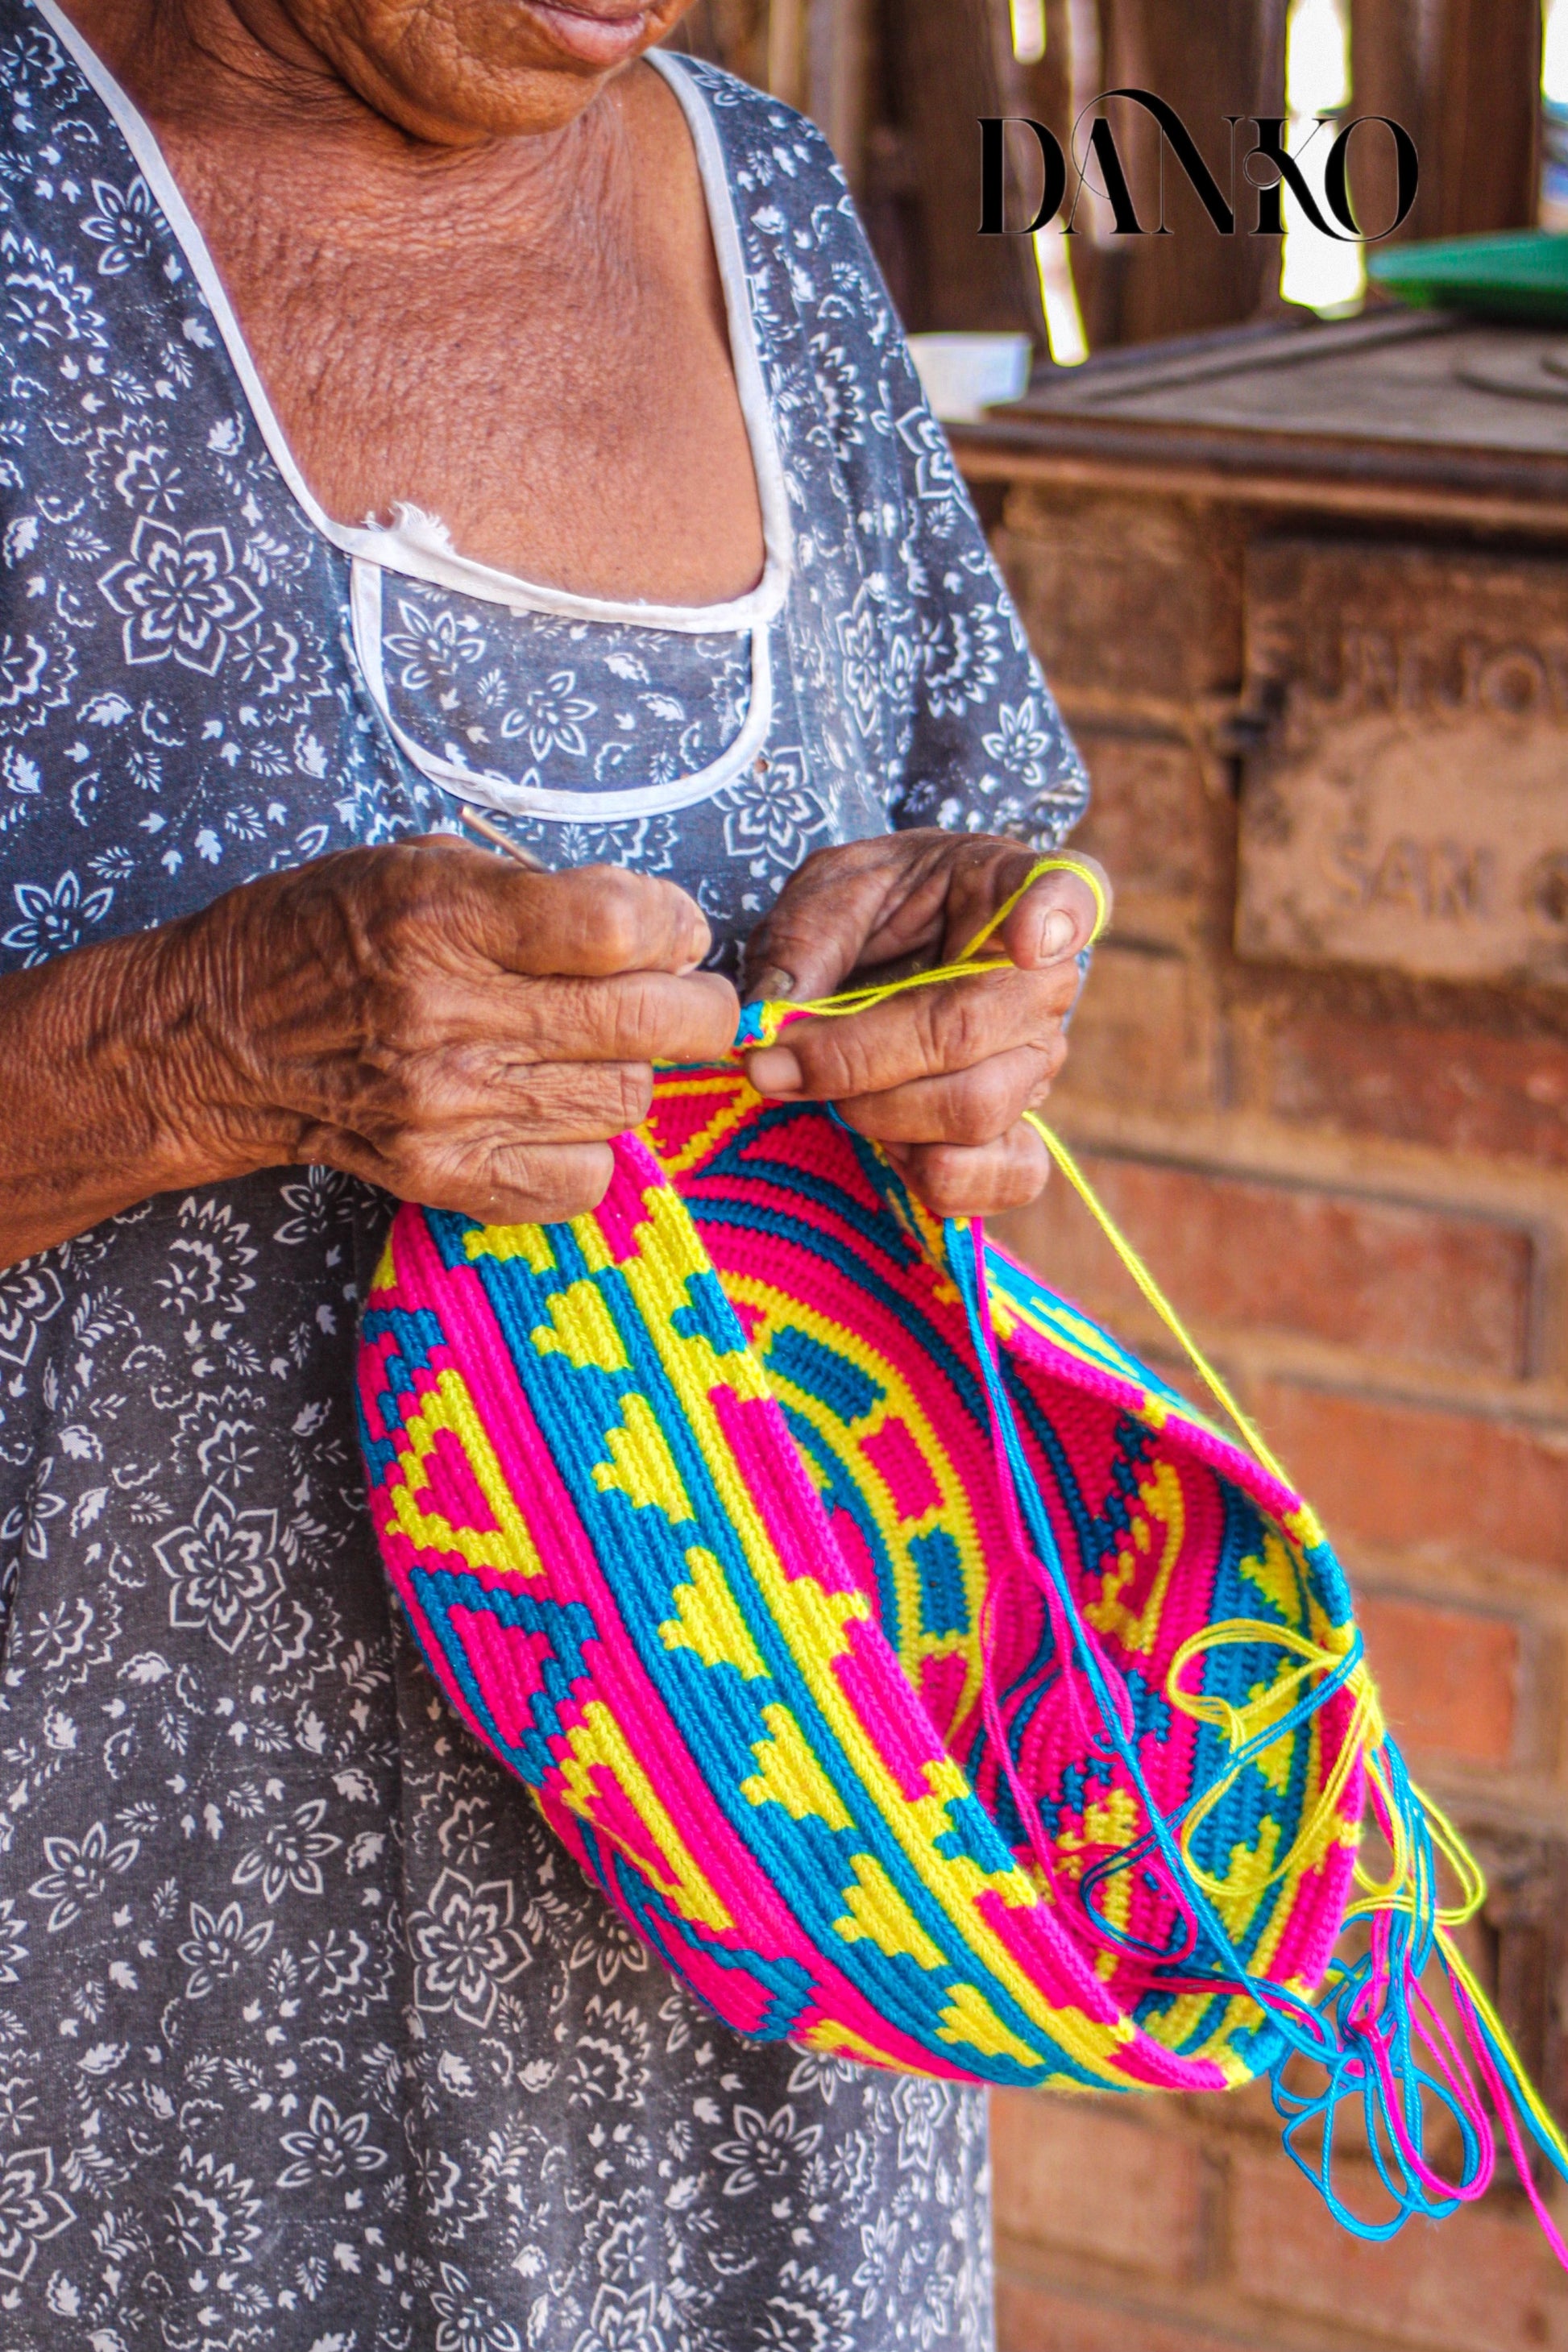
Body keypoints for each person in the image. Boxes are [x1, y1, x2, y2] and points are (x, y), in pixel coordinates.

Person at [0, 0, 1106, 2340]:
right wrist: (179, 1048)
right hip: (116, 1978)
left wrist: (977, 970)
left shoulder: (764, 208)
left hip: (777, 1918)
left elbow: (979, 828)